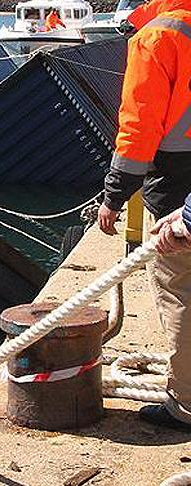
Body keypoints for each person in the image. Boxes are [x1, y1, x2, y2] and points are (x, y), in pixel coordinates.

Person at [97, 0, 191, 430]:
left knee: (180, 292)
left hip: (176, 186)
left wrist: (114, 197)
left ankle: (186, 404)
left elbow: (138, 129)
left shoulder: (156, 37)